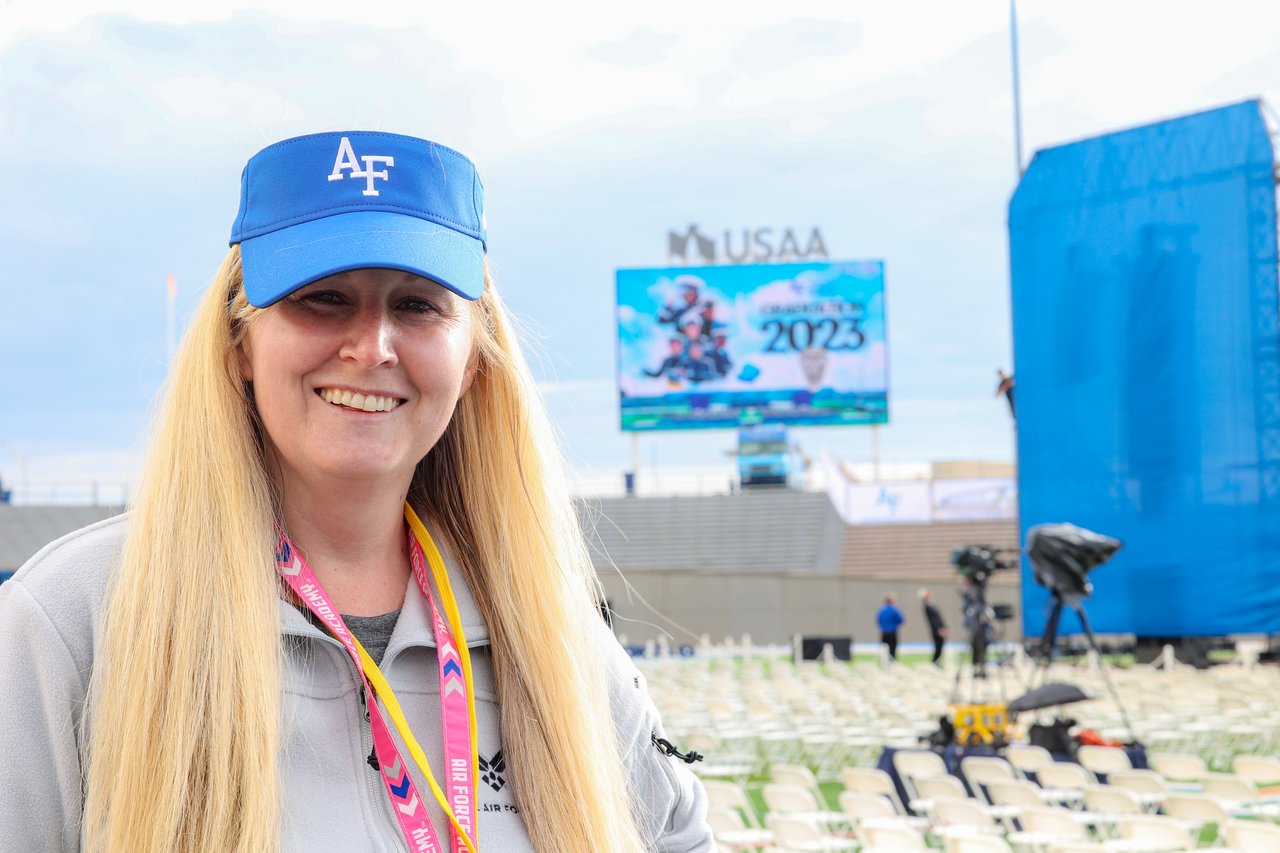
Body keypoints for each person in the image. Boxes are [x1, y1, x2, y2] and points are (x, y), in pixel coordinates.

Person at [0, 131, 712, 853]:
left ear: (472, 358)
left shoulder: (547, 627)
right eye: (323, 298)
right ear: (239, 342)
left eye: (418, 305)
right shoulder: (72, 620)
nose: (372, 347)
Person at [919, 587, 949, 666]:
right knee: (938, 647)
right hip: (937, 630)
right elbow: (934, 620)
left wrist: (945, 628)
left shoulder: (932, 605)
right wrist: (939, 629)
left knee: (940, 647)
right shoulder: (927, 607)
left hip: (939, 629)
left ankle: (936, 663)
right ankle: (935, 663)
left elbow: (939, 618)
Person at [875, 592, 904, 661]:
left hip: (884, 632)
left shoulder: (882, 610)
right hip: (892, 632)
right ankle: (892, 662)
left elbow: (878, 620)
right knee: (892, 650)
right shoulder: (894, 610)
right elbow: (901, 619)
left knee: (884, 650)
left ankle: (884, 662)